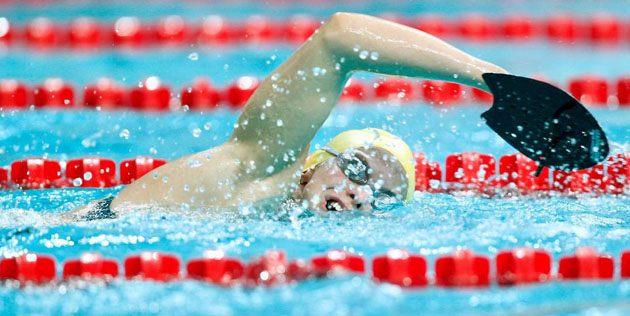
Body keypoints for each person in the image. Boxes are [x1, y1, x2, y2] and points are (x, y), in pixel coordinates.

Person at [67, 12, 508, 220]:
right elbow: (341, 38)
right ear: (314, 163)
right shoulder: (265, 165)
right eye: (356, 168)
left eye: (383, 196)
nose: (361, 193)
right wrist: (496, 80)